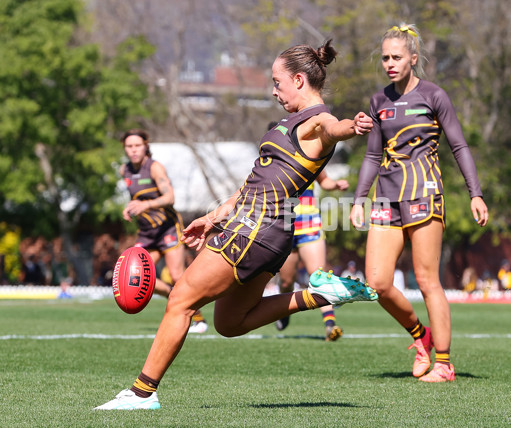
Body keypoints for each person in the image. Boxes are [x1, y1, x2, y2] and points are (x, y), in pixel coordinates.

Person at [96, 39, 377, 410]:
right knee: (230, 323)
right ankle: (324, 295)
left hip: (257, 229)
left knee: (180, 300)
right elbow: (252, 184)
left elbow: (333, 126)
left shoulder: (314, 122)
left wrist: (351, 127)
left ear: (297, 79)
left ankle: (141, 393)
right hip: (268, 232)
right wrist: (212, 217)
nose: (274, 90)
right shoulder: (286, 124)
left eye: (277, 82)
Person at [349, 24, 488, 382]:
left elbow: (459, 146)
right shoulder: (378, 101)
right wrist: (358, 199)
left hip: (425, 195)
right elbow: (372, 156)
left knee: (427, 280)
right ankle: (420, 336)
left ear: (413, 58)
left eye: (397, 57)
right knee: (376, 283)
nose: (390, 64)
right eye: (385, 58)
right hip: (386, 200)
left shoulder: (434, 95)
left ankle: (443, 363)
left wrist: (475, 192)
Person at [120, 129, 208, 334]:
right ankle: (174, 295)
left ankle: (199, 320)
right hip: (146, 232)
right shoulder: (124, 170)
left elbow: (170, 197)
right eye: (129, 146)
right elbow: (137, 198)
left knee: (177, 274)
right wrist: (131, 207)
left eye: (137, 146)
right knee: (138, 275)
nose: (133, 150)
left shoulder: (155, 168)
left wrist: (145, 205)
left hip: (167, 227)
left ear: (146, 146)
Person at [275, 166, 349, 341]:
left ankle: (330, 325)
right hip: (284, 224)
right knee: (286, 281)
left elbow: (324, 180)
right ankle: (283, 311)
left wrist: (335, 185)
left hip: (309, 223)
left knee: (319, 276)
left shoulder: (311, 157)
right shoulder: (277, 156)